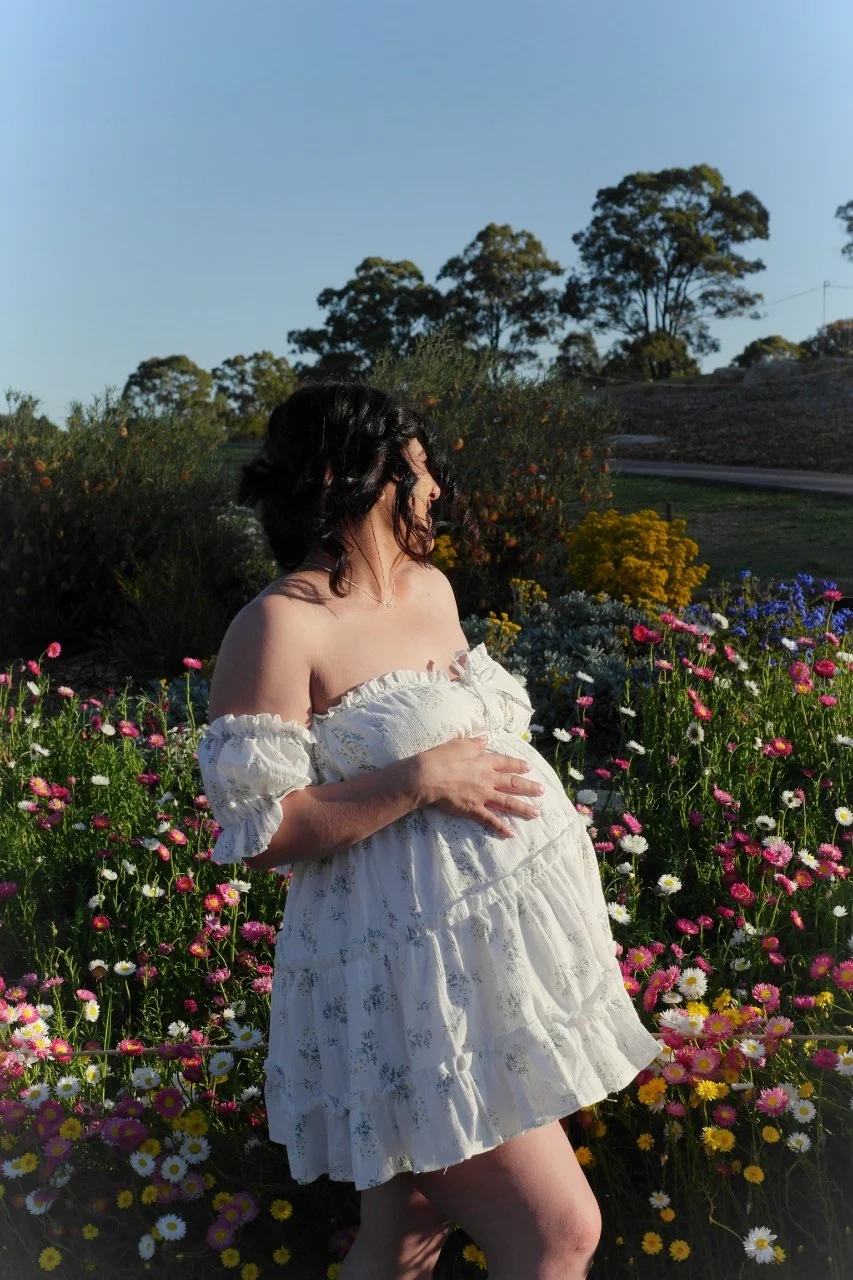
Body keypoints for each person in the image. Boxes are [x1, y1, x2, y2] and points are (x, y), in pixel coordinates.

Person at [196, 382, 661, 1280]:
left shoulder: (431, 590)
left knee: (404, 1237)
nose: (436, 488)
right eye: (416, 469)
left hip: (482, 973)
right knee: (558, 1234)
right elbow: (264, 827)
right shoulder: (279, 625)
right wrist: (418, 779)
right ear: (350, 478)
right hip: (405, 989)